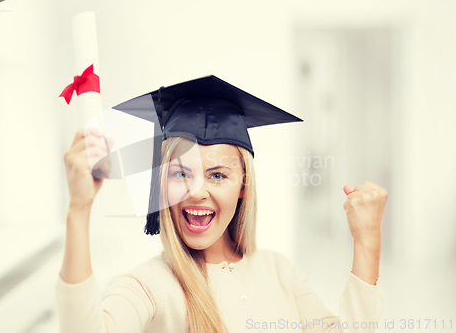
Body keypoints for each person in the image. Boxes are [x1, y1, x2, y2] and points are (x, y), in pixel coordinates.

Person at [55, 75, 387, 333]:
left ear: (244, 185)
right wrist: (78, 210)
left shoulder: (280, 272)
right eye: (180, 174)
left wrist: (367, 242)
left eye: (217, 175)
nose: (196, 192)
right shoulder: (148, 286)